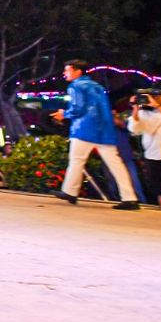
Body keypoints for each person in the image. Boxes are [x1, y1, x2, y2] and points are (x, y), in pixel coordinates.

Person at [50, 60, 140, 210]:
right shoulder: (98, 87)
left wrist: (63, 114)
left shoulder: (76, 86)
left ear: (77, 71)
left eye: (67, 70)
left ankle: (70, 191)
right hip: (104, 130)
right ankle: (130, 198)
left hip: (84, 129)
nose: (64, 73)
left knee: (76, 160)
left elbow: (78, 108)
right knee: (116, 164)